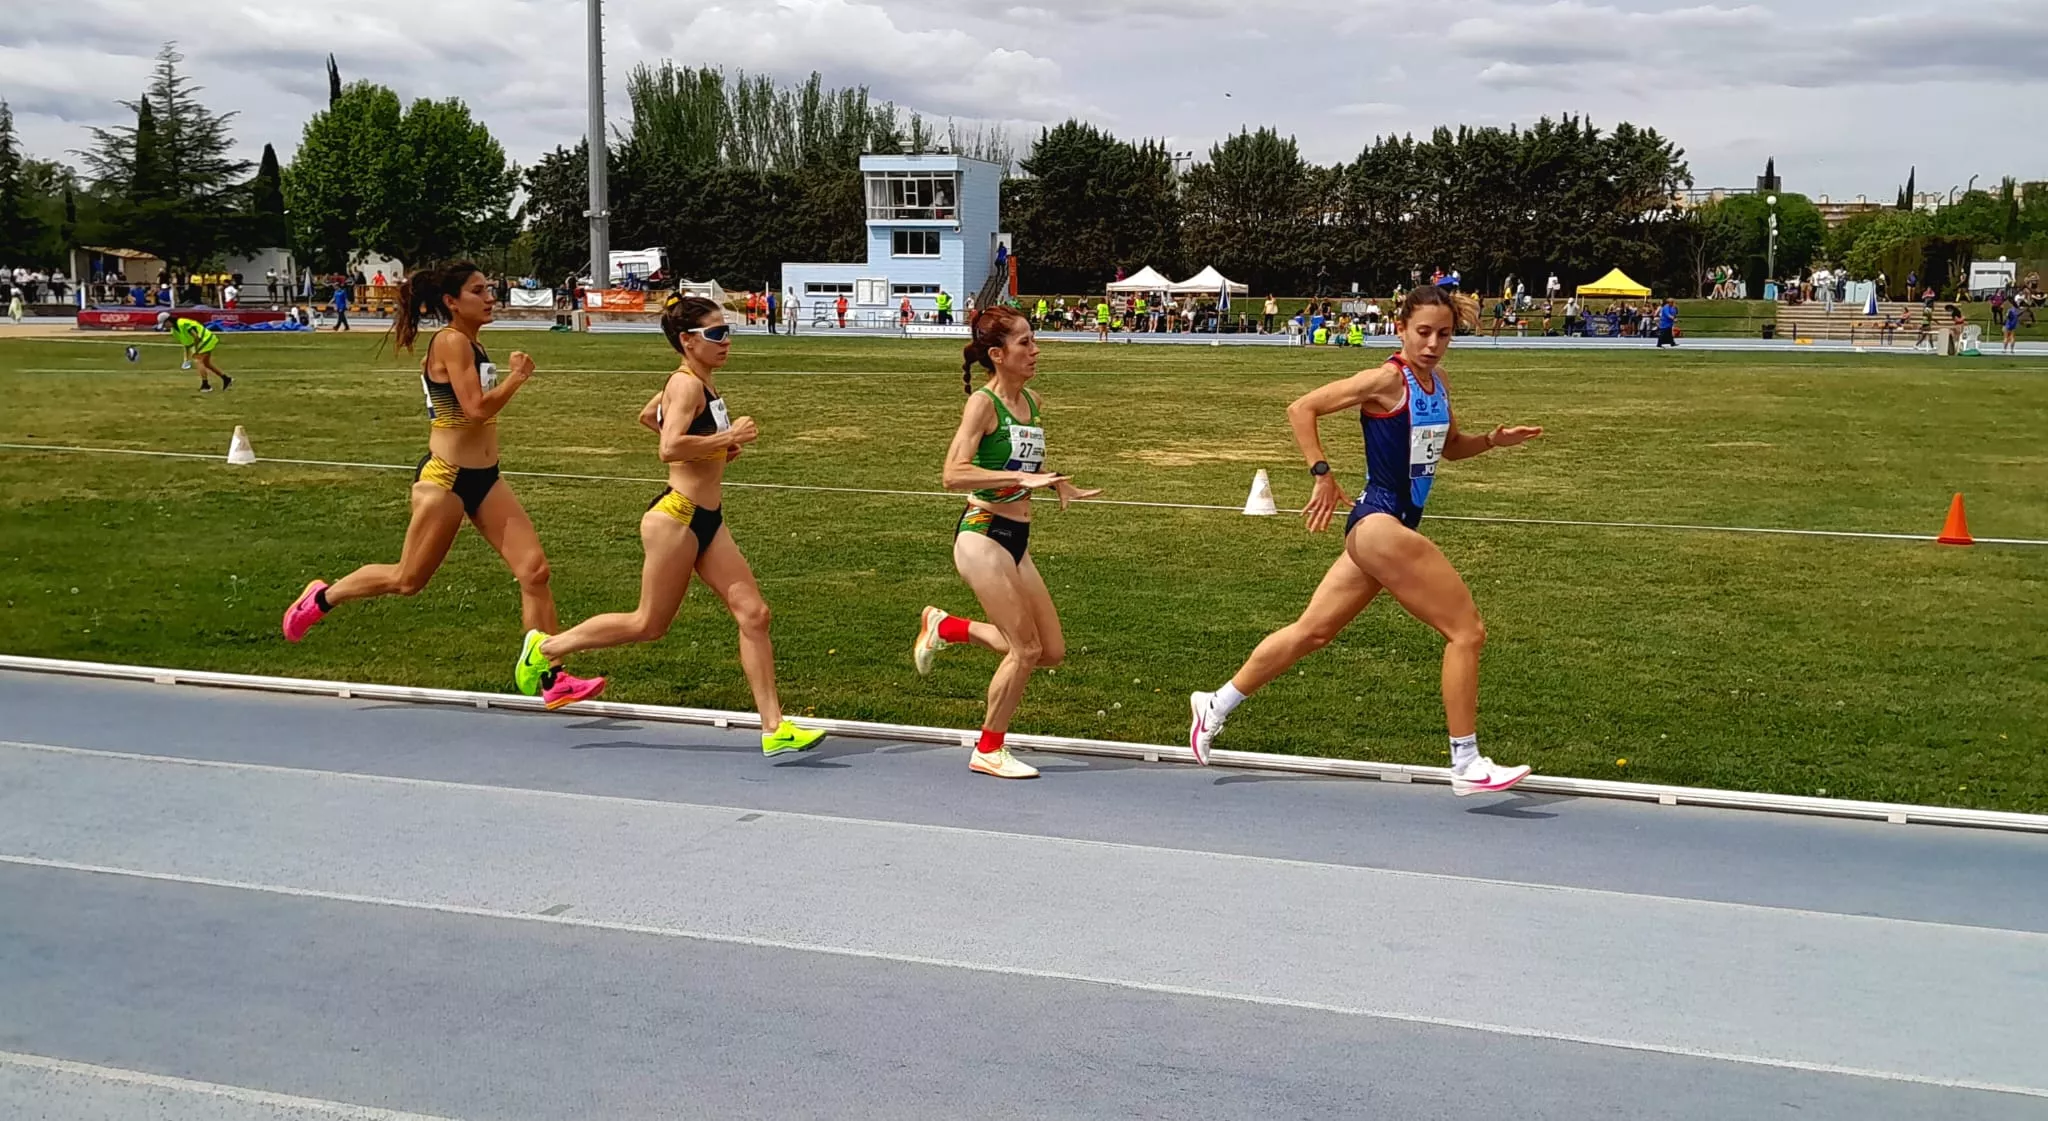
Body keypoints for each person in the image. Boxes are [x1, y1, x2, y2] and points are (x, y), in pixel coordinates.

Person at [1186, 285, 1539, 796]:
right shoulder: (1384, 379)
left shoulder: (1437, 384)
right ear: (1401, 328)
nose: (1434, 343)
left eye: (1444, 334)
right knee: (1467, 632)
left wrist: (1491, 441)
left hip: (1384, 530)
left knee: (1311, 632)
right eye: (1423, 332)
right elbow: (1301, 408)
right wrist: (1321, 473)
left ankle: (1214, 704)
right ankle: (1466, 761)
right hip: (1378, 525)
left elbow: (1450, 448)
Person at [515, 296, 826, 754]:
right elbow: (668, 446)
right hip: (676, 518)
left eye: (727, 332)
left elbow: (649, 418)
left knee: (755, 615)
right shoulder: (686, 386)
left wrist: (713, 448)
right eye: (715, 334)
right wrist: (726, 438)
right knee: (648, 623)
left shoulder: (698, 381)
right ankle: (544, 650)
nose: (726, 342)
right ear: (687, 340)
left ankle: (774, 729)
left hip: (707, 520)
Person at [280, 264, 592, 711]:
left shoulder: (471, 342)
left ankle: (547, 672)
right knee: (408, 580)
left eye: (489, 289)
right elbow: (475, 409)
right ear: (451, 301)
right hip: (445, 479)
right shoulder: (450, 341)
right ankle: (322, 597)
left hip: (485, 478)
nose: (489, 297)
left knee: (534, 571)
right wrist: (518, 377)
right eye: (477, 291)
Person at [912, 307, 1099, 778]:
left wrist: (1054, 482)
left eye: (1034, 341)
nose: (1035, 351)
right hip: (982, 533)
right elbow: (953, 474)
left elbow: (1024, 465)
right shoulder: (982, 404)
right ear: (997, 355)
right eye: (1025, 344)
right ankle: (988, 748)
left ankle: (946, 626)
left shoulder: (1031, 400)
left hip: (1018, 537)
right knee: (1026, 650)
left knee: (1049, 651)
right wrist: (1018, 477)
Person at [159, 311, 231, 392]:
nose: (165, 327)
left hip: (206, 339)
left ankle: (205, 385)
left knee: (198, 360)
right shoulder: (174, 331)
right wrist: (186, 359)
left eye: (164, 324)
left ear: (169, 321)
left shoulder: (182, 323)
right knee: (206, 363)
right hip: (201, 342)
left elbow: (196, 337)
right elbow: (186, 344)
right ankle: (226, 379)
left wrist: (196, 351)